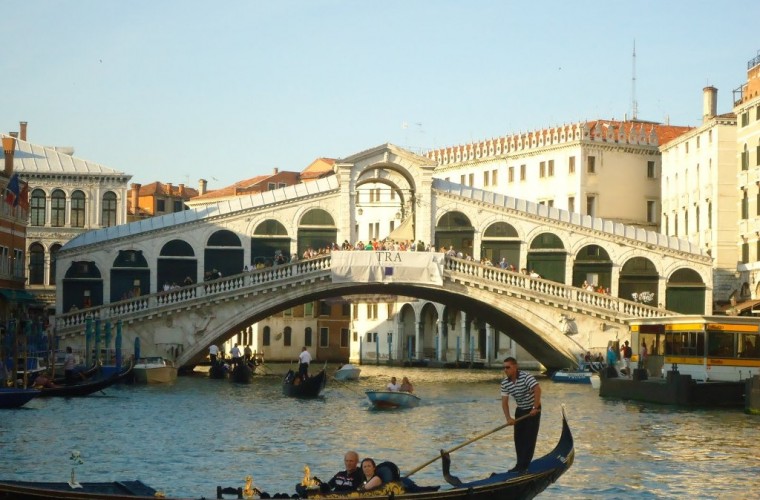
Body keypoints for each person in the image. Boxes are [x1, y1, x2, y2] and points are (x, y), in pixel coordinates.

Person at [500, 357, 541, 475]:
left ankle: (525, 466)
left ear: (515, 367)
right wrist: (508, 418)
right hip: (521, 410)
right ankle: (519, 465)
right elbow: (504, 402)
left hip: (534, 409)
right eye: (504, 367)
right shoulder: (505, 383)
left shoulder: (526, 377)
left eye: (508, 367)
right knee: (518, 438)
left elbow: (538, 390)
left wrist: (534, 407)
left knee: (529, 438)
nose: (505, 370)